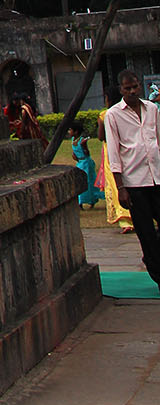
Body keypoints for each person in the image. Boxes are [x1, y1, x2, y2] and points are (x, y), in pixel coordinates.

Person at [103, 69, 160, 287]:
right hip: (134, 183)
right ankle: (156, 271)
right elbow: (114, 152)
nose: (133, 91)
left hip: (157, 177)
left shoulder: (152, 109)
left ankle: (154, 258)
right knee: (145, 232)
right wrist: (121, 187)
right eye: (128, 88)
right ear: (121, 90)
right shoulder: (114, 115)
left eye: (135, 86)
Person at [97, 85, 134, 232]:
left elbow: (101, 137)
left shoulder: (104, 115)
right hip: (126, 150)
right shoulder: (126, 112)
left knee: (114, 183)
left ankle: (125, 220)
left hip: (111, 152)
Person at [69, 127, 104, 207]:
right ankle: (82, 201)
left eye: (70, 130)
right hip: (80, 162)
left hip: (86, 163)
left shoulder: (81, 141)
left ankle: (90, 200)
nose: (69, 132)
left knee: (88, 181)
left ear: (76, 131)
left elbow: (87, 153)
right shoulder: (73, 140)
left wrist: (83, 146)